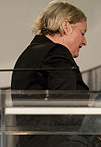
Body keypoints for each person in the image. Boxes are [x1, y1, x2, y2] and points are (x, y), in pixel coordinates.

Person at [11, 1, 90, 147]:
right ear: (66, 26)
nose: (84, 41)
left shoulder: (28, 54)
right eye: (82, 33)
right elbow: (67, 109)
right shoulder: (56, 52)